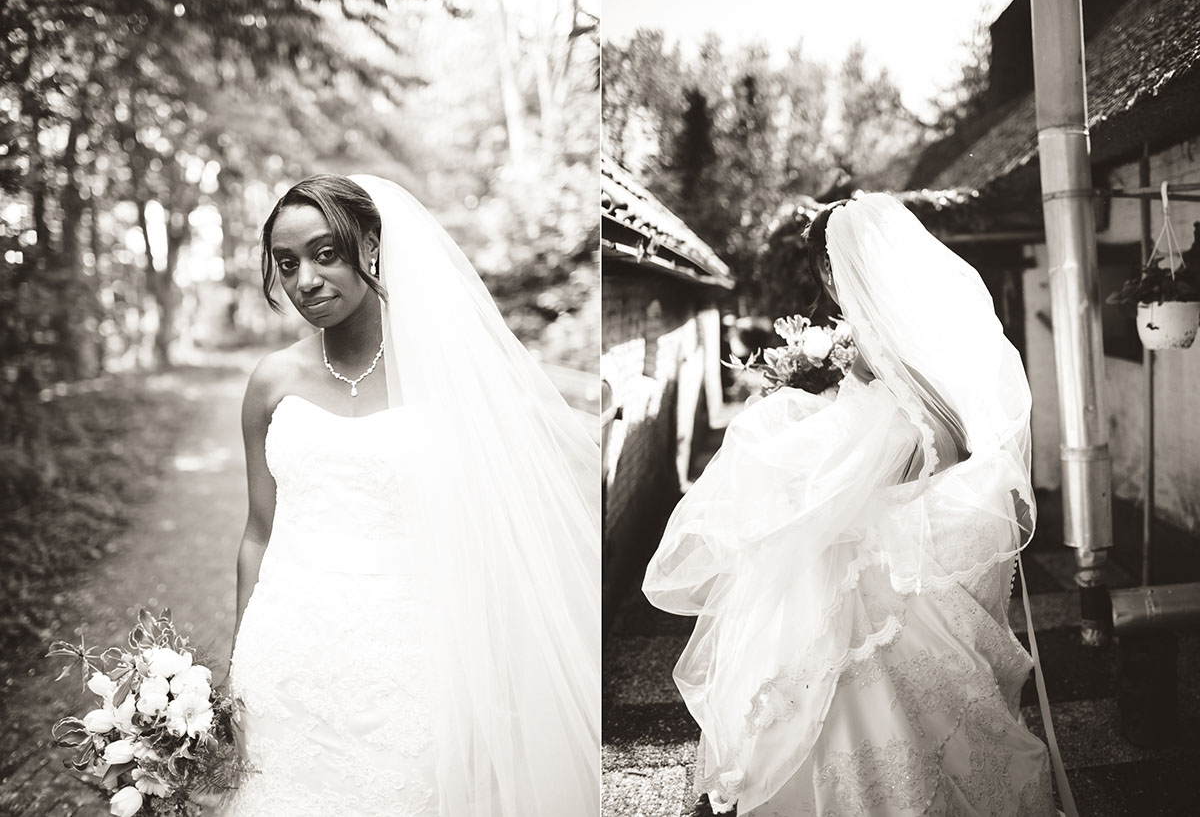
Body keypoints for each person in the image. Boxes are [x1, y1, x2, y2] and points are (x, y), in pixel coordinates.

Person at [643, 194, 1059, 815]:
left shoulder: (893, 381)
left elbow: (870, 464)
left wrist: (778, 427)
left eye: (829, 273)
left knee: (844, 676)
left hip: (894, 573)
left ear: (843, 272)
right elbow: (929, 451)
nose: (831, 290)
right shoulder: (928, 358)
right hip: (929, 550)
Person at [217, 174, 600, 817]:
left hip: (412, 660)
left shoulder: (452, 381)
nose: (305, 278)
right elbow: (259, 531)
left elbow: (502, 527)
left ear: (370, 246)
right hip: (285, 657)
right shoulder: (271, 381)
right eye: (287, 264)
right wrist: (239, 659)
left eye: (325, 253)